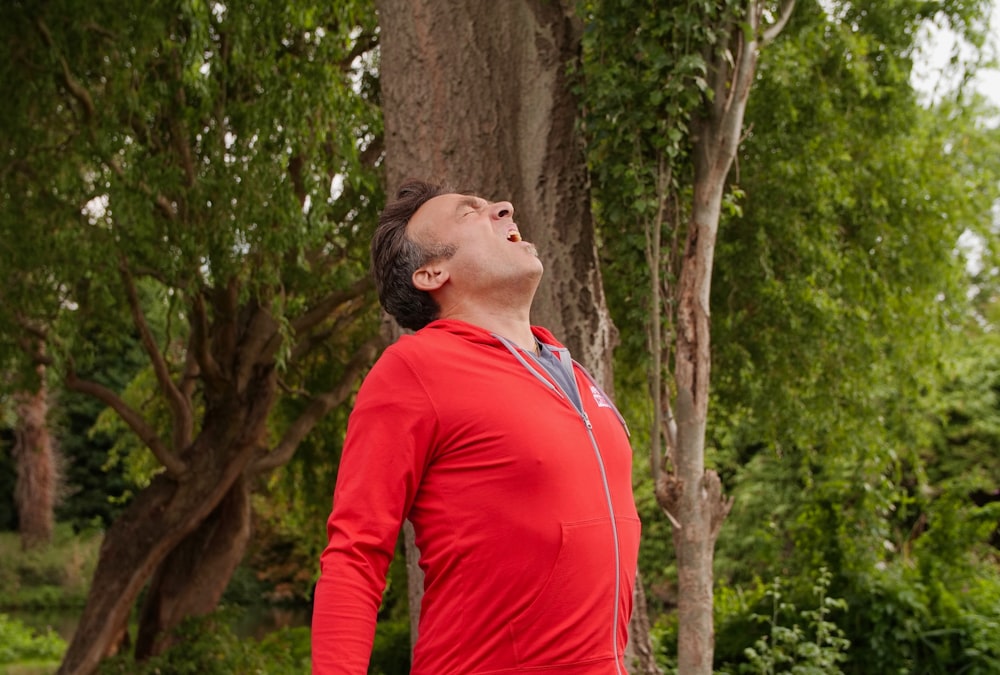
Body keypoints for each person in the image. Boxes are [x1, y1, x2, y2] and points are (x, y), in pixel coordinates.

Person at [311, 180, 641, 674]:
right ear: (431, 273)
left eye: (495, 206)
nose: (506, 208)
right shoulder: (413, 369)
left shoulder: (570, 371)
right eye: (471, 213)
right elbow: (355, 555)